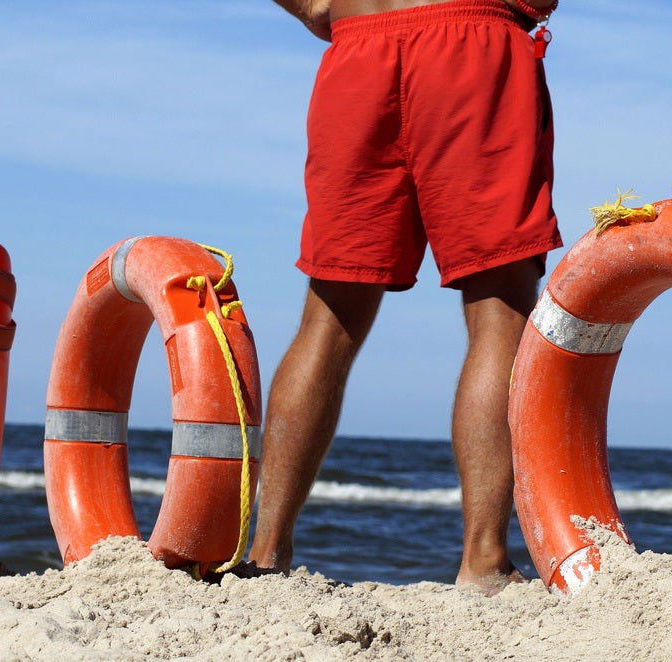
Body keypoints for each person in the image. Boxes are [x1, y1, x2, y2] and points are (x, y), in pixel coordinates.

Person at [249, 0, 563, 595]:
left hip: (358, 46)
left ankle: (267, 556)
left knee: (329, 316)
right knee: (500, 311)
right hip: (472, 42)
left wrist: (319, 8)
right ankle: (484, 561)